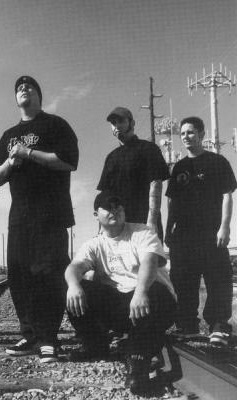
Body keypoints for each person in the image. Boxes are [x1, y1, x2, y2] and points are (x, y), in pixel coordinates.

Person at [0, 76, 79, 363]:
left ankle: (48, 338)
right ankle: (29, 335)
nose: (23, 89)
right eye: (18, 88)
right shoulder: (8, 135)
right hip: (20, 217)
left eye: (29, 87)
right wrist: (10, 162)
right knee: (19, 275)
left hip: (51, 214)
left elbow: (69, 161)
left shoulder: (55, 125)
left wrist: (28, 153)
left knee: (49, 275)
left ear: (39, 95)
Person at [65, 191, 176, 395]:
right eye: (108, 207)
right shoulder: (94, 244)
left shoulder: (142, 232)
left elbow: (150, 262)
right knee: (77, 288)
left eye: (118, 207)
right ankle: (95, 346)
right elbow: (74, 267)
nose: (114, 211)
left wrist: (140, 292)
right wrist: (73, 285)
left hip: (154, 302)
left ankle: (138, 363)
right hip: (124, 307)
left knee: (155, 291)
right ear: (96, 215)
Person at [165, 116, 236, 346]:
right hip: (183, 235)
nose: (186, 137)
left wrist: (225, 226)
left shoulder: (217, 162)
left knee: (218, 279)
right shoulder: (179, 168)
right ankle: (188, 325)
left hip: (211, 232)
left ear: (202, 134)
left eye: (191, 132)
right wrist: (168, 230)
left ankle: (219, 326)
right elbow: (172, 202)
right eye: (183, 133)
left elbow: (227, 196)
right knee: (183, 281)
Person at [97, 107, 169, 239]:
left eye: (121, 121)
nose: (117, 126)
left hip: (144, 225)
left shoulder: (148, 148)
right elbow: (104, 196)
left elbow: (156, 185)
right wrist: (102, 228)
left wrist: (152, 222)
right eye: (113, 123)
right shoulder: (111, 157)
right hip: (118, 228)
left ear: (132, 123)